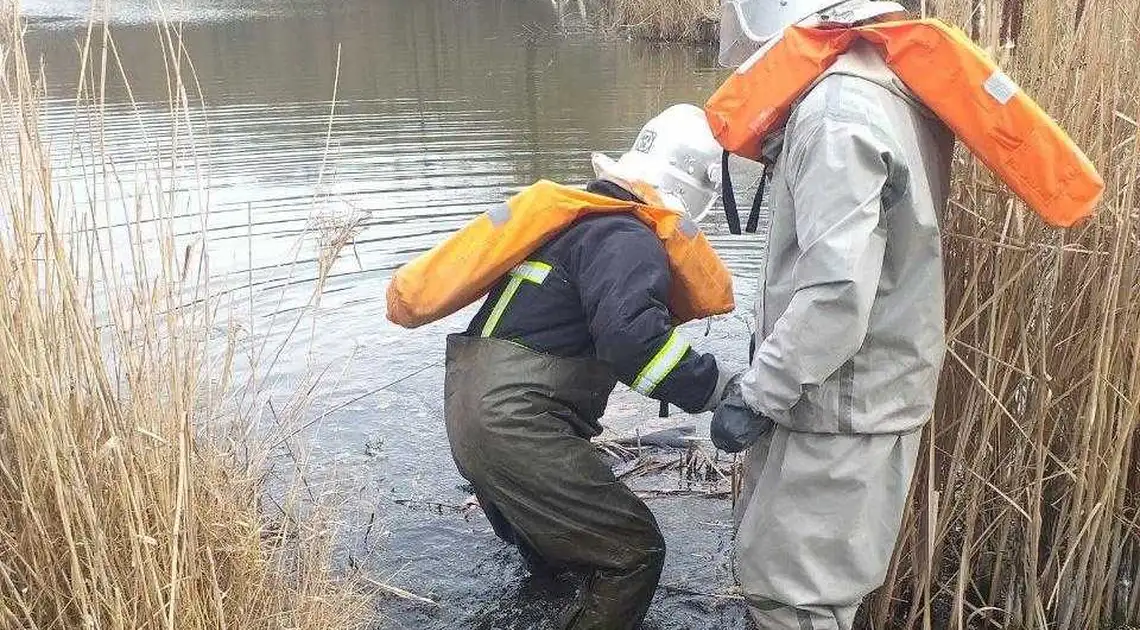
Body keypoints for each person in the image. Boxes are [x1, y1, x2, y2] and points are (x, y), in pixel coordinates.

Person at [709, 1, 955, 628]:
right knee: (814, 595)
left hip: (838, 408)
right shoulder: (888, 86)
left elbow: (836, 294)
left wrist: (758, 394)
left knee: (795, 601)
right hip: (862, 398)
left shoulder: (836, 111)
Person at [443, 104, 730, 630]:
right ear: (690, 197)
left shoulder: (576, 222)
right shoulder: (627, 236)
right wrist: (717, 388)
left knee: (563, 562)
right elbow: (632, 343)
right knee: (633, 554)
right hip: (516, 427)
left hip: (472, 416)